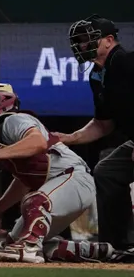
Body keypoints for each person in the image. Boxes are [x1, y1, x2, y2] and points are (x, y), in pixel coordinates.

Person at [0, 82, 119, 263]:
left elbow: (37, 141)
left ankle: (29, 249)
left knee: (34, 203)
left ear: (2, 101)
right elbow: (24, 180)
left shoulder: (12, 120)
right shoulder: (0, 133)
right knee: (12, 243)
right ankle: (99, 251)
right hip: (64, 187)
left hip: (74, 178)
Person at [56, 15, 134, 260]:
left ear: (109, 41)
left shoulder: (127, 63)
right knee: (107, 172)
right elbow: (103, 124)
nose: (81, 46)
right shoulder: (96, 76)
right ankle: (119, 247)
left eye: (87, 40)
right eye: (79, 41)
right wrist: (69, 137)